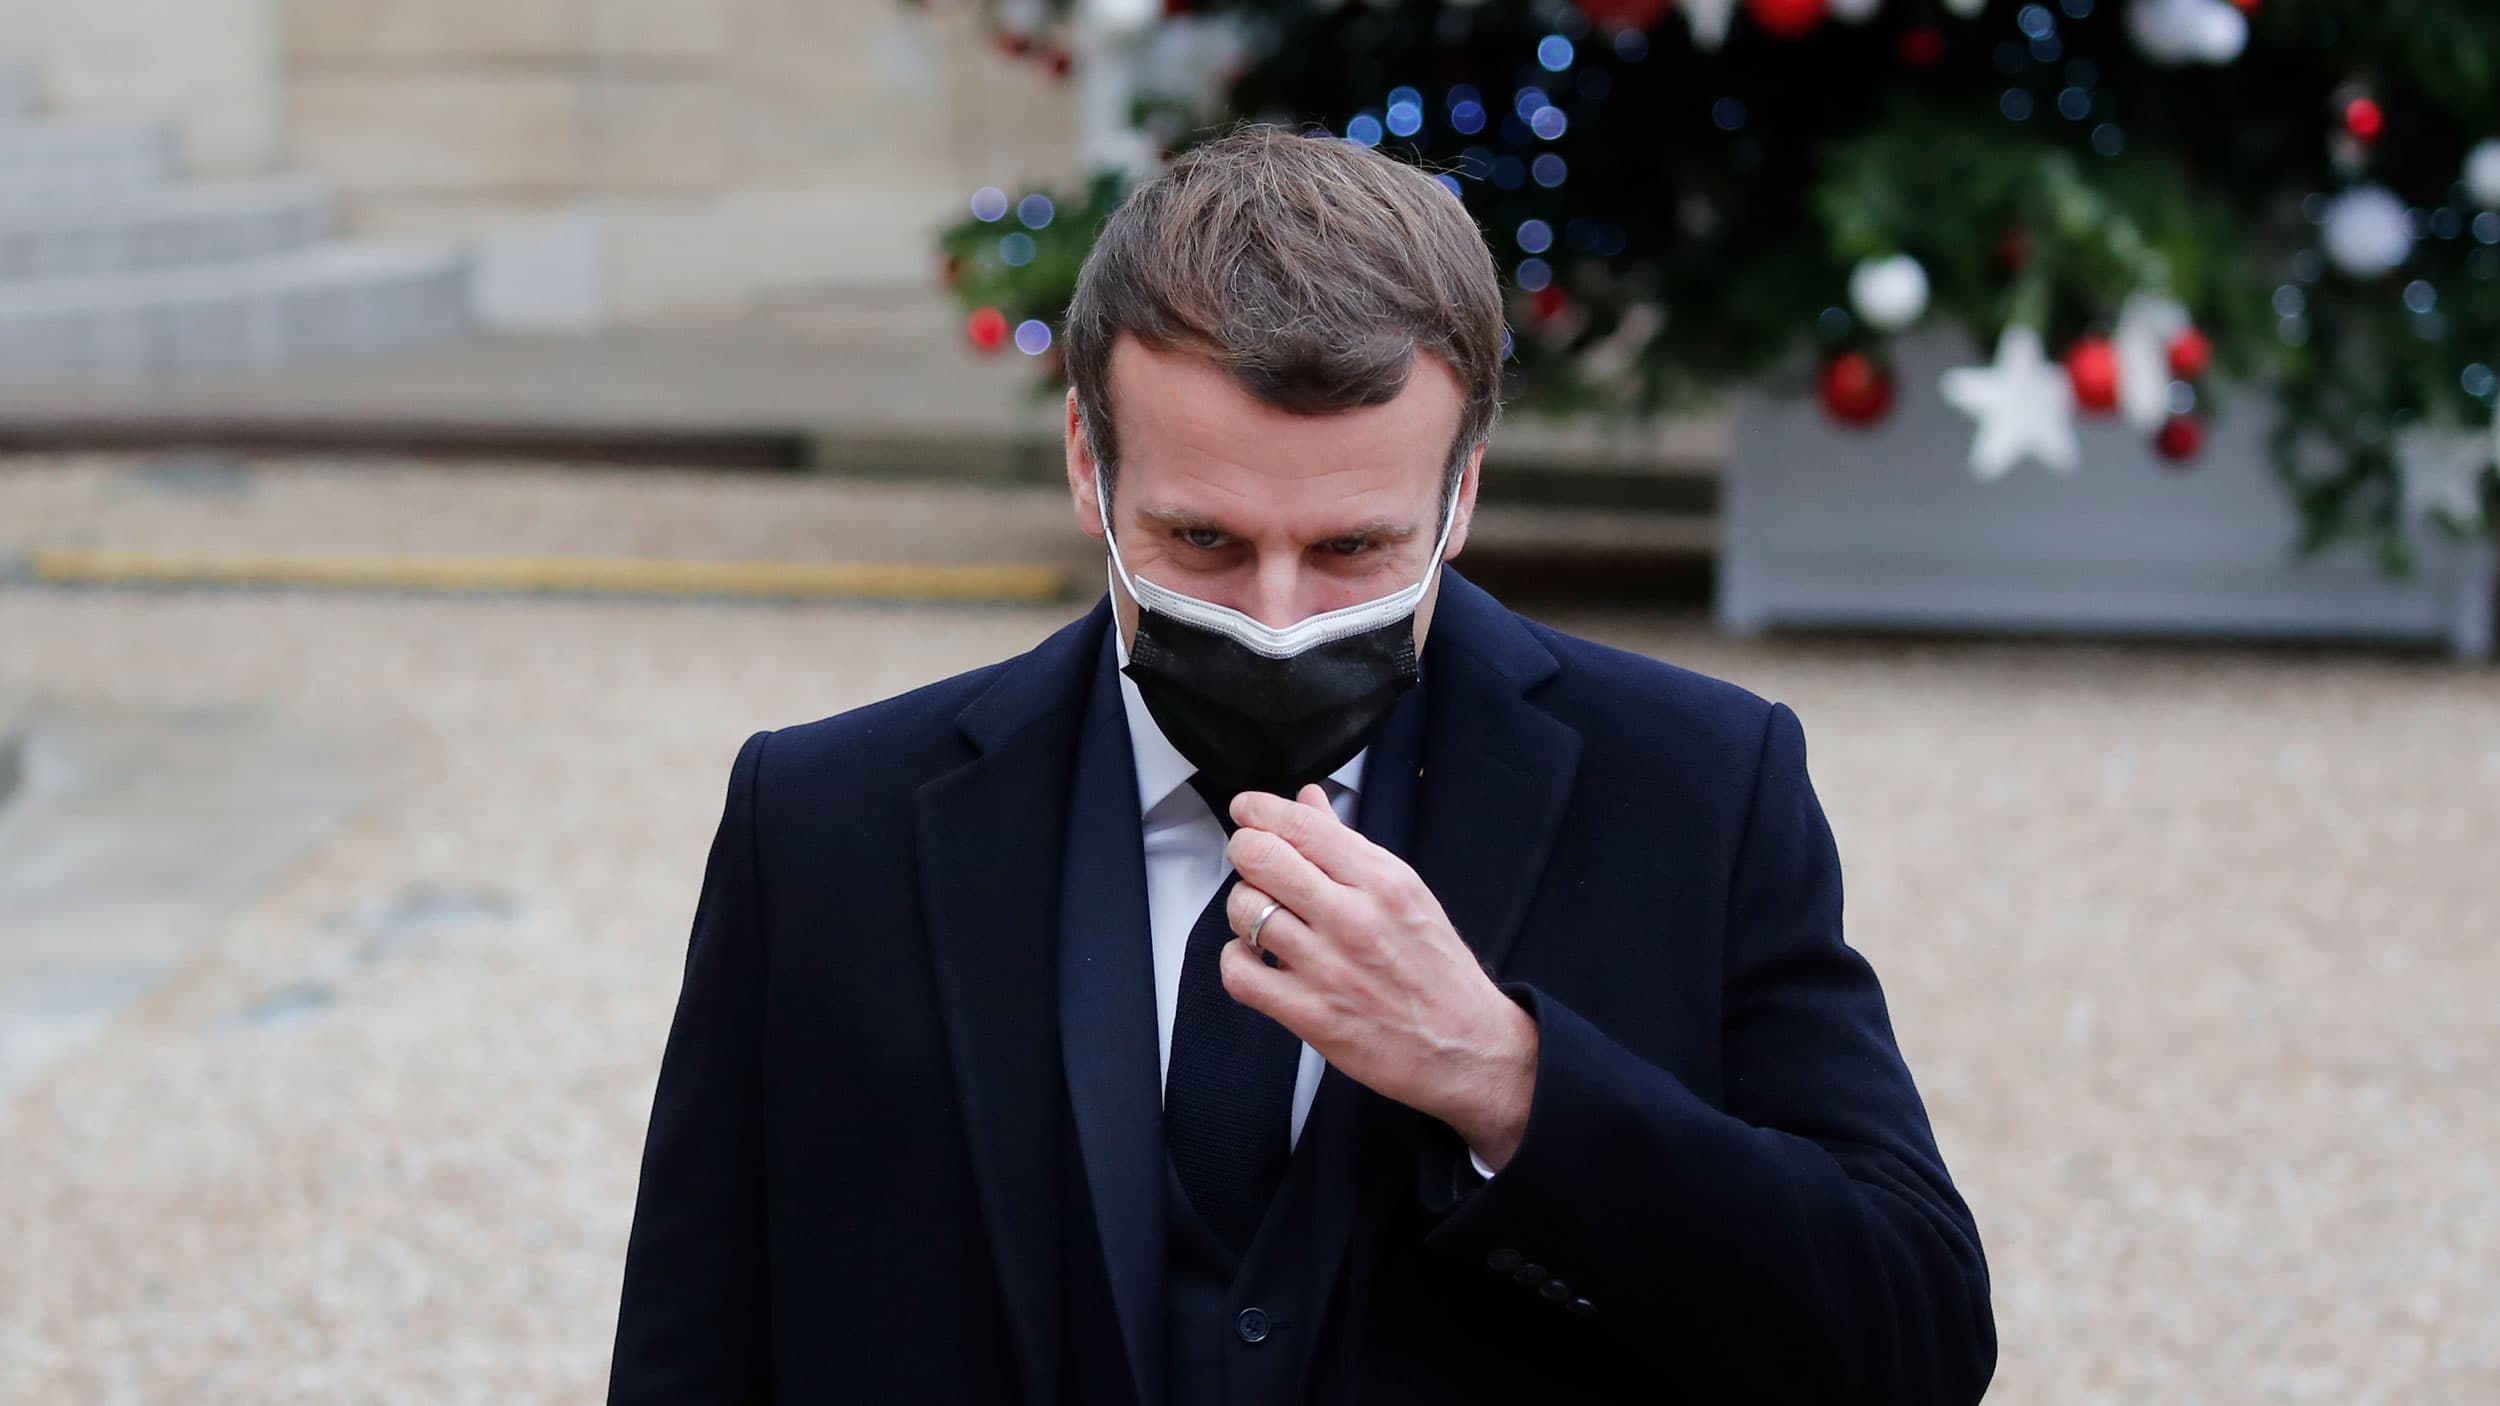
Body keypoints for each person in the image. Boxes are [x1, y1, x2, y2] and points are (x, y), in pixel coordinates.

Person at [608, 123, 1993, 1405]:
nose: (1277, 622)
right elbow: (697, 1343)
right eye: (1203, 541)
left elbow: (1913, 1330)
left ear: (1463, 489)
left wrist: (1510, 1078)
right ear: (1089, 464)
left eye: (1352, 551)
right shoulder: (825, 820)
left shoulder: (1698, 785)